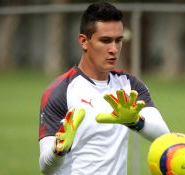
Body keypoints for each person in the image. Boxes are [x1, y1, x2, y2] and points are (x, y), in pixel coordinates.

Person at [38, 1, 170, 175]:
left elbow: (164, 136)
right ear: (84, 41)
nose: (114, 49)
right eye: (105, 41)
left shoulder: (130, 86)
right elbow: (46, 168)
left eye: (118, 40)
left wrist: (136, 121)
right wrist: (59, 150)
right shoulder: (60, 91)